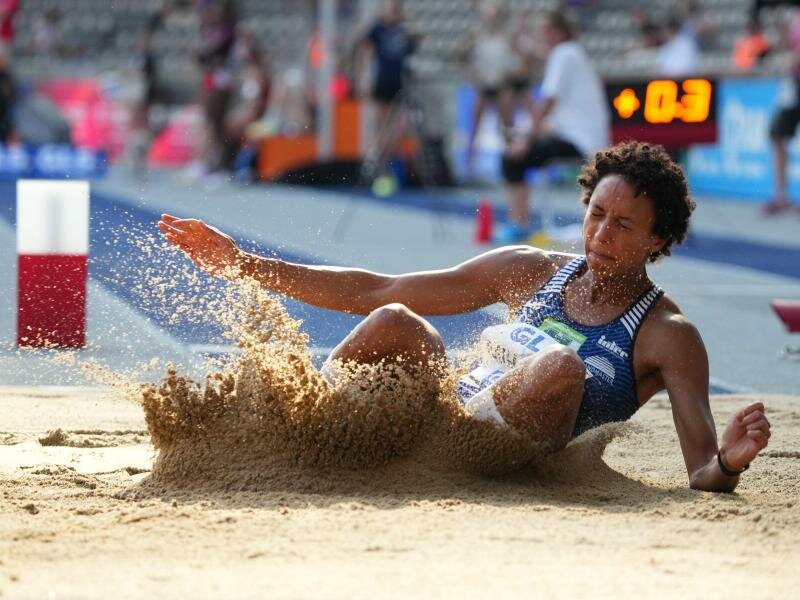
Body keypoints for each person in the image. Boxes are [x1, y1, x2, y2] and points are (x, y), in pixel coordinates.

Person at [157, 141, 771, 493]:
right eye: (595, 215)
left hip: (507, 454)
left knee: (560, 365)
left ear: (658, 240)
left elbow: (700, 472)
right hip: (447, 415)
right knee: (397, 317)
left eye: (623, 225)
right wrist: (241, 262)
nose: (600, 235)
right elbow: (377, 287)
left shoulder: (668, 335)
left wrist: (729, 462)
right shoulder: (531, 269)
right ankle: (296, 433)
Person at [498, 9, 609, 244]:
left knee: (512, 158)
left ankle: (519, 223)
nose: (543, 37)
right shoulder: (571, 54)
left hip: (580, 141)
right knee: (517, 149)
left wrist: (526, 139)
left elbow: (546, 101)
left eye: (547, 31)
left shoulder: (564, 53)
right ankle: (520, 221)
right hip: (579, 135)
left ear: (560, 32)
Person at [355, 0, 419, 184]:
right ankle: (377, 164)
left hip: (400, 83)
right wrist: (362, 78)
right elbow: (363, 52)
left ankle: (377, 160)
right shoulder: (377, 28)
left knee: (400, 127)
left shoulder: (404, 28)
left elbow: (419, 36)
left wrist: (407, 21)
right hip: (382, 82)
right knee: (384, 127)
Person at [765, 7, 800, 215]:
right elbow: (783, 48)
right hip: (793, 86)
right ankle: (781, 196)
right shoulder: (793, 17)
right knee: (777, 135)